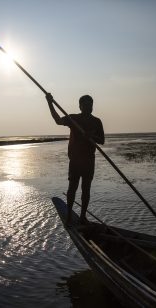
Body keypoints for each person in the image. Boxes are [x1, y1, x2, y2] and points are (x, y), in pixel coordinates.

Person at [46, 93, 105, 225]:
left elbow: (102, 141)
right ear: (80, 106)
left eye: (90, 105)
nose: (89, 107)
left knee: (86, 189)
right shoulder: (73, 119)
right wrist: (50, 103)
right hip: (75, 160)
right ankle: (68, 217)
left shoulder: (96, 121)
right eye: (85, 105)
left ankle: (83, 216)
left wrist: (92, 136)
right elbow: (57, 120)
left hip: (89, 160)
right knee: (72, 188)